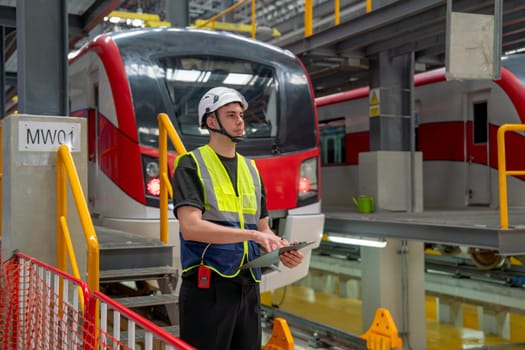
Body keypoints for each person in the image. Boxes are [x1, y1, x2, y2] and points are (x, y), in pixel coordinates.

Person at [172, 87, 304, 350]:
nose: (240, 120)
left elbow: (263, 228)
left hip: (248, 285)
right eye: (231, 115)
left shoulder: (251, 169)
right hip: (208, 287)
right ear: (211, 121)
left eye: (241, 114)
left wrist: (280, 249)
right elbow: (191, 227)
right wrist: (254, 235)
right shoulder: (190, 164)